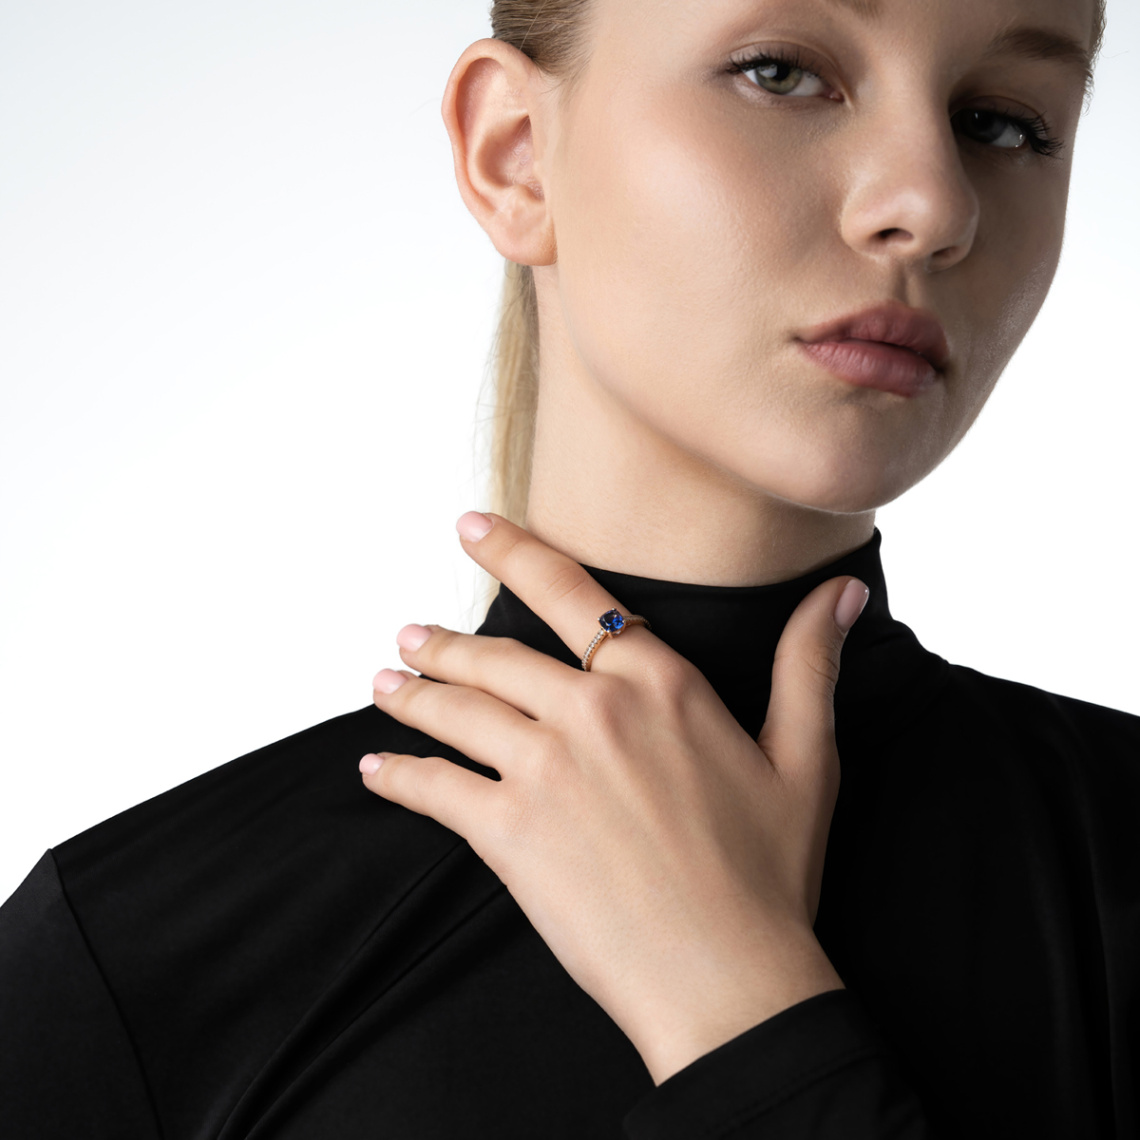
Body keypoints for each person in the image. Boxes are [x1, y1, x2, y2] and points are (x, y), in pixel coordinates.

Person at [1, 0, 1135, 1136]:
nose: (933, 206)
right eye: (781, 73)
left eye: (1003, 122)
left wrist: (734, 1003)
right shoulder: (133, 965)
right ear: (516, 154)